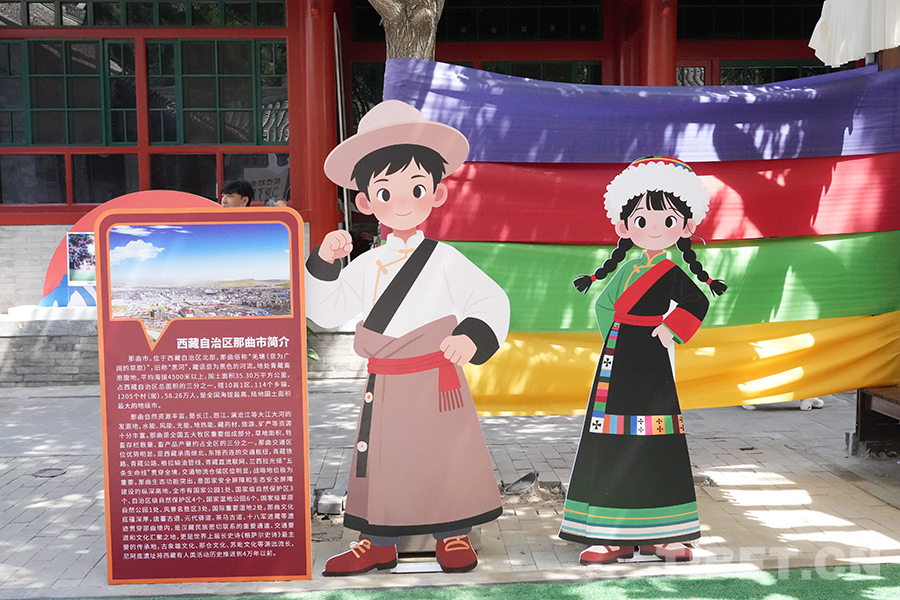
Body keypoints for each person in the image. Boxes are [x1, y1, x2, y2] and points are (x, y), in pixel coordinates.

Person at [305, 100, 510, 576]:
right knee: (383, 459)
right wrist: (325, 263)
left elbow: (491, 299)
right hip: (388, 380)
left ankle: (453, 533)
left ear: (436, 194)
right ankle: (376, 541)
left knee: (445, 452)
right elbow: (326, 311)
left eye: (416, 187)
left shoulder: (445, 258)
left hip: (437, 377)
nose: (401, 201)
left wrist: (471, 336)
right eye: (385, 190)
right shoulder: (366, 264)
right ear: (365, 201)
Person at [559, 156, 727, 565]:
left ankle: (663, 534)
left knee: (657, 438)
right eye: (642, 218)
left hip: (652, 359)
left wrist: (669, 329)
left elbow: (697, 301)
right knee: (612, 438)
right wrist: (616, 340)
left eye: (667, 220)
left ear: (685, 227)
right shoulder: (627, 270)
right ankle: (610, 535)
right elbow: (603, 306)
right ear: (624, 226)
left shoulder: (672, 271)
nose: (653, 228)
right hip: (619, 362)